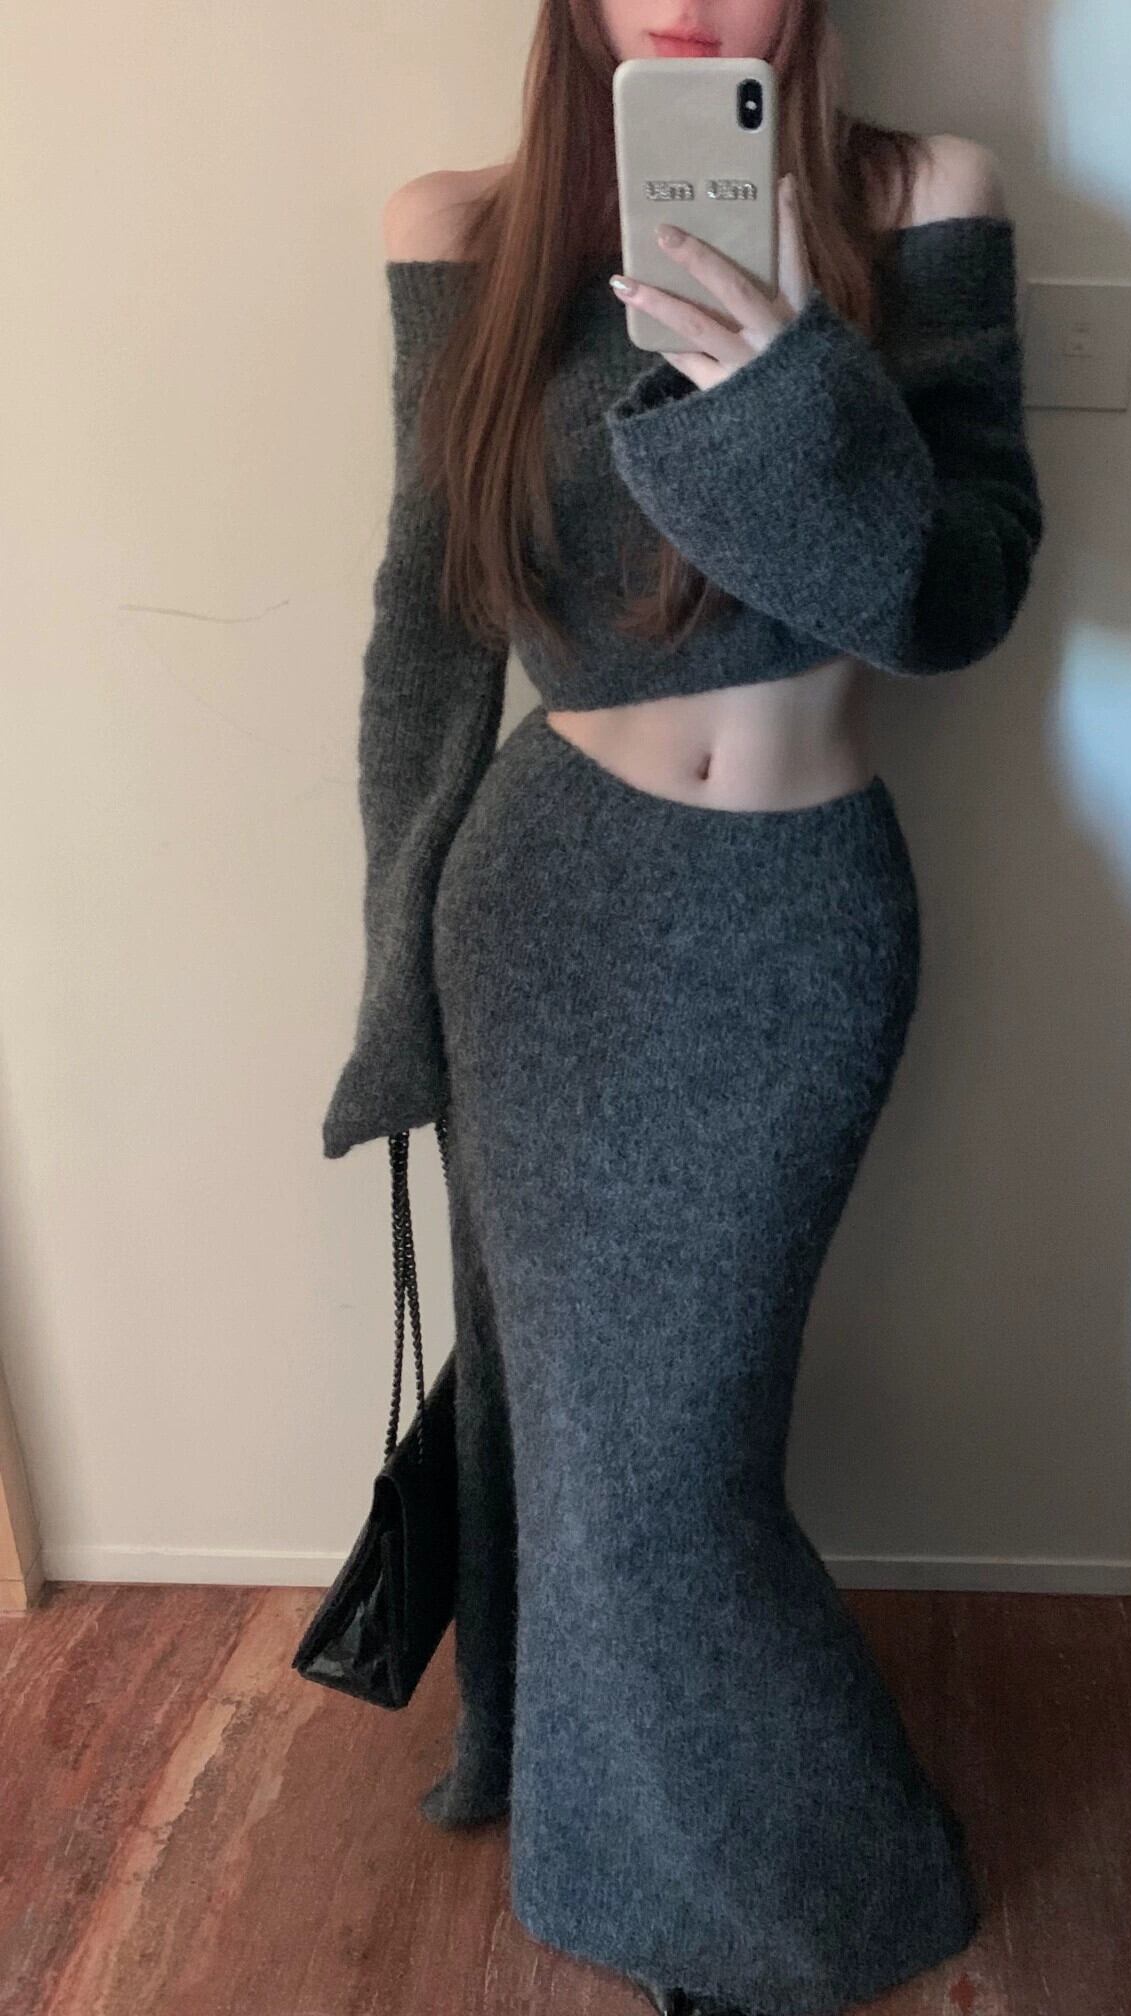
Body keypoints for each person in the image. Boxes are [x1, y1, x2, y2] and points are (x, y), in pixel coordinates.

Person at [320, 3, 1043, 2011]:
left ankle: (807, 1896)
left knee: (673, 1479)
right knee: (582, 1448)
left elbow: (961, 598)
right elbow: (423, 631)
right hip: (543, 918)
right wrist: (392, 985)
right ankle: (648, 1877)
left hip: (800, 927)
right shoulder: (461, 234)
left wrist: (791, 392)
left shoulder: (922, 202)